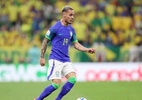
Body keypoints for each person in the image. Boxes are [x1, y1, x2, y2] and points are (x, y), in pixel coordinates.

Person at [34, 5, 95, 100]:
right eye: (70, 15)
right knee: (56, 84)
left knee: (73, 79)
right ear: (64, 14)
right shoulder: (55, 27)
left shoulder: (71, 29)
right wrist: (42, 57)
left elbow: (76, 44)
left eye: (73, 15)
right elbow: (45, 41)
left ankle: (58, 99)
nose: (72, 17)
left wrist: (87, 49)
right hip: (56, 59)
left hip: (66, 60)